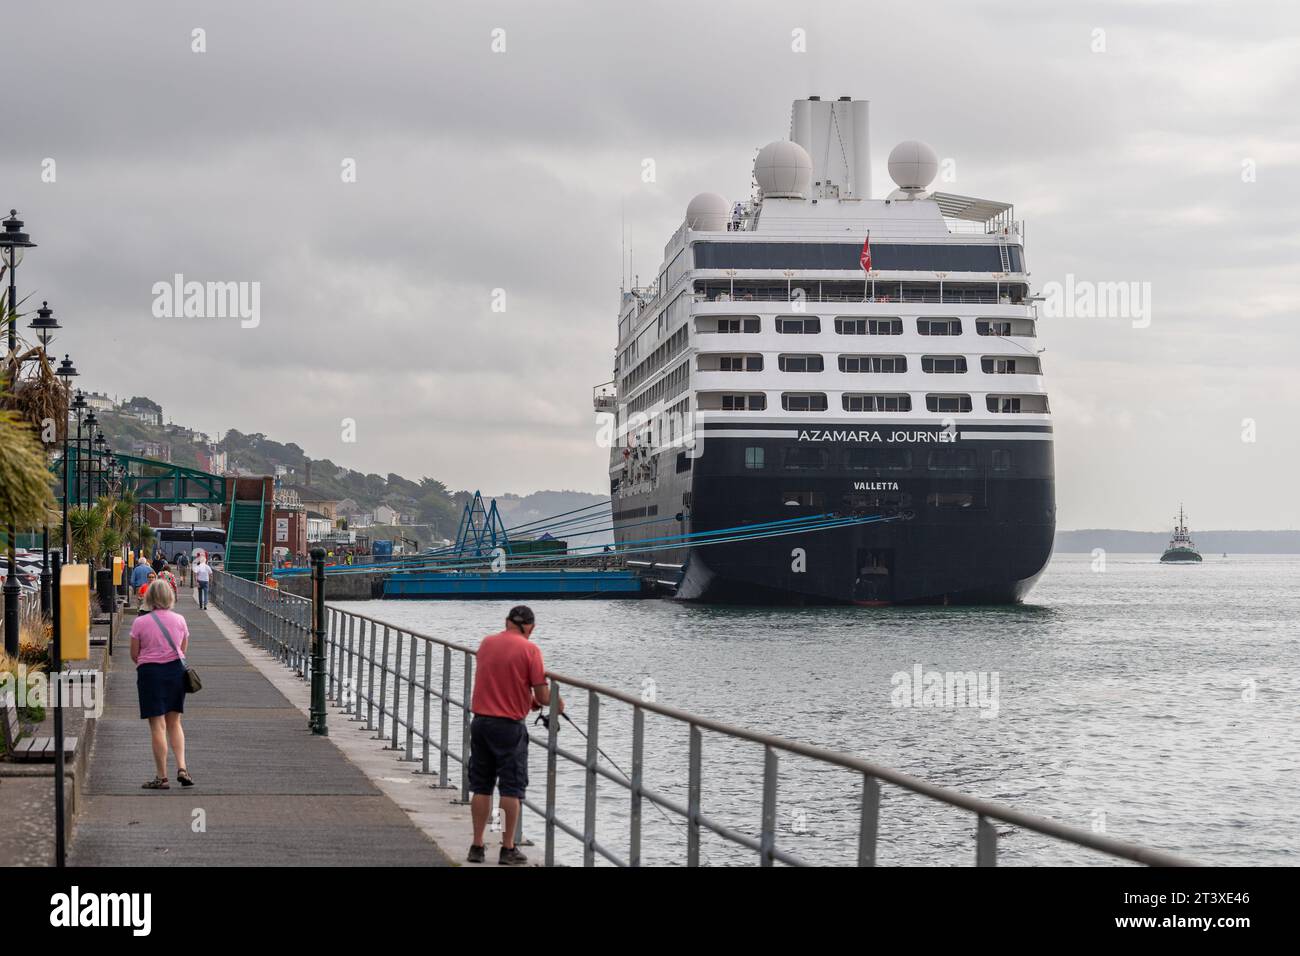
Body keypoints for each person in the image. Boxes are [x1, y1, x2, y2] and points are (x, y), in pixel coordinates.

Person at [465, 605, 562, 866]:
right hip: (509, 727)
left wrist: (525, 700)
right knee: (511, 788)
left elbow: (499, 680)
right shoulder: (530, 650)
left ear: (506, 621)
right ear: (530, 627)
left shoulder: (486, 643)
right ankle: (508, 848)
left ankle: (477, 845)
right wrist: (557, 703)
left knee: (481, 785)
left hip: (481, 722)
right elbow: (543, 696)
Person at [130, 578, 195, 790]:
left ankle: (162, 777)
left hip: (150, 674)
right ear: (170, 596)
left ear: (149, 597)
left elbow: (134, 654)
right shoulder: (180, 620)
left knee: (157, 725)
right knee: (175, 722)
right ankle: (182, 767)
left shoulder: (140, 622)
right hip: (176, 672)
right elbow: (182, 649)